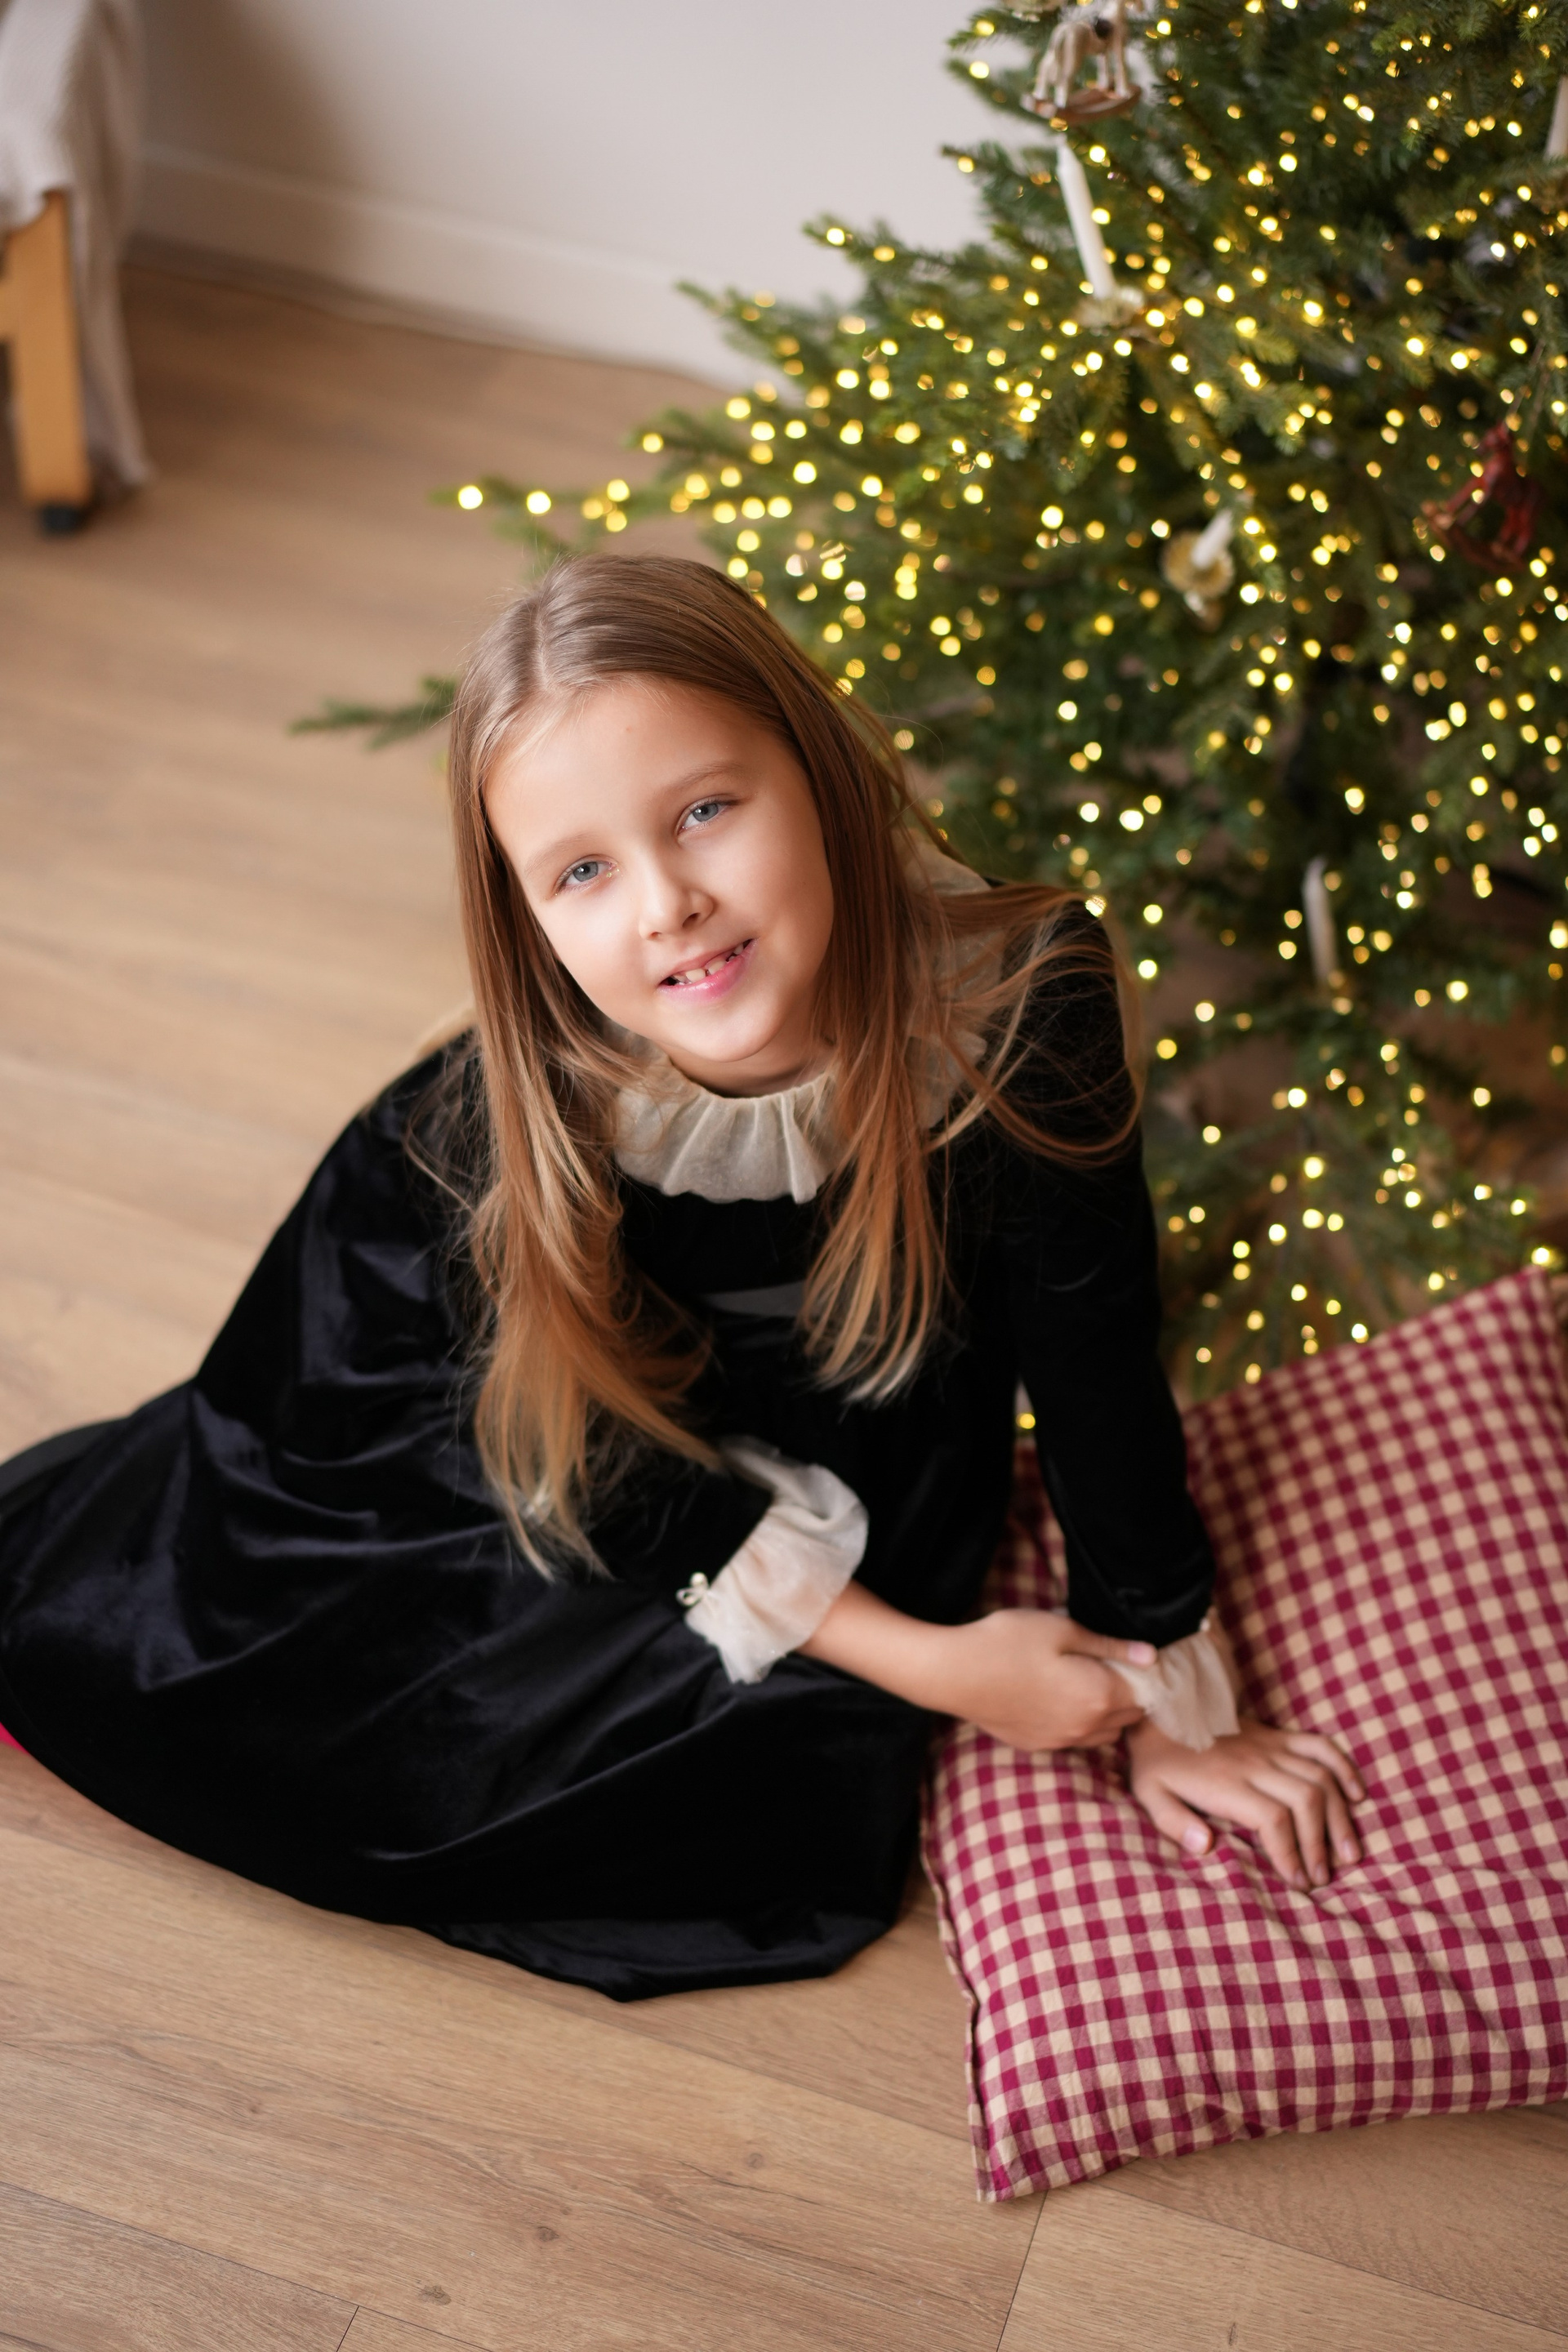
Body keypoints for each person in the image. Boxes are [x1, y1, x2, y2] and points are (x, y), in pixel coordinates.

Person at [0, 555, 1363, 2000]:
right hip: (473, 1399)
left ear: (821, 771)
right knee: (392, 1735)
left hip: (803, 1396)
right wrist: (932, 1663)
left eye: (706, 809)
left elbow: (1094, 1351)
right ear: (528, 918)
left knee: (782, 1794)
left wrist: (1175, 1694)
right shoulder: (502, 1132)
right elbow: (591, 1459)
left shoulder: (1017, 1002)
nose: (669, 905)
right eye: (582, 871)